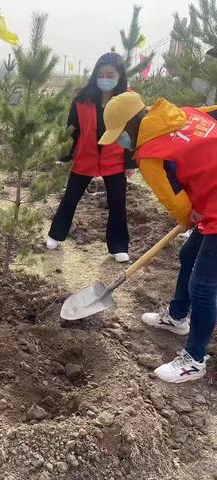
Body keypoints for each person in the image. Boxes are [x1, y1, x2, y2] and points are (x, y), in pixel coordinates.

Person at [99, 91, 217, 383]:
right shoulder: (185, 112)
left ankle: (195, 359)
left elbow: (177, 206)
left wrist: (190, 216)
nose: (121, 143)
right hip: (211, 197)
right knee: (188, 255)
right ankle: (178, 317)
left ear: (131, 125)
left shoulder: (150, 154)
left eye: (120, 135)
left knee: (203, 286)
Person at [47, 53, 136, 263]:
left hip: (114, 159)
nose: (105, 78)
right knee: (71, 197)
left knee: (117, 202)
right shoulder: (82, 98)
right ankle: (56, 234)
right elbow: (72, 129)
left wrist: (130, 162)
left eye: (110, 74)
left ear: (119, 75)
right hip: (85, 157)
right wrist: (65, 155)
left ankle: (118, 246)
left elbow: (133, 133)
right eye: (101, 74)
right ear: (96, 74)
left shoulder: (128, 100)